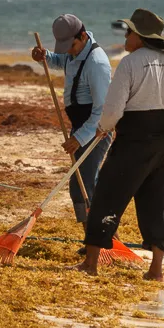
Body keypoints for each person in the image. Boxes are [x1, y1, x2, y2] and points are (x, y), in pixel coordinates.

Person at [77, 9, 164, 281]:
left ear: (140, 36)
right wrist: (163, 102)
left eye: (129, 31)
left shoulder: (130, 63)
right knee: (156, 200)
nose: (126, 35)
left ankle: (91, 264)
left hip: (134, 137)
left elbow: (114, 108)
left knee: (108, 193)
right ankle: (155, 269)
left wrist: (103, 128)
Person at [32, 14, 111, 227]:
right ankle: (97, 239)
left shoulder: (97, 63)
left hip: (96, 130)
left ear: (83, 35)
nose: (69, 50)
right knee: (83, 184)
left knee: (83, 185)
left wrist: (80, 137)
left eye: (71, 45)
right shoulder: (74, 52)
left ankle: (99, 240)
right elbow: (61, 61)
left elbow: (102, 111)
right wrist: (45, 57)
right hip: (80, 125)